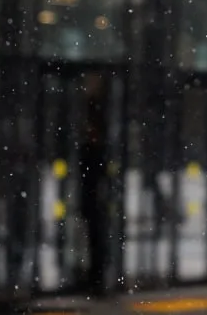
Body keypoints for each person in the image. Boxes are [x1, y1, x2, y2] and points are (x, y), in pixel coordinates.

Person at [79, 78, 110, 296]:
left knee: (96, 242)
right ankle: (95, 280)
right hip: (94, 204)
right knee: (95, 242)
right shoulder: (94, 152)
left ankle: (95, 280)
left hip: (94, 204)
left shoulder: (93, 152)